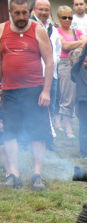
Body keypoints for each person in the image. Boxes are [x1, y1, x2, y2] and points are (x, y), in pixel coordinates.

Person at [0, 0, 53, 190]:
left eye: (25, 13)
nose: (22, 17)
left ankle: (37, 174)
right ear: (10, 12)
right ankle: (13, 173)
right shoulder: (1, 30)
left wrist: (46, 90)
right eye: (17, 13)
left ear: (29, 11)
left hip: (35, 90)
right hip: (10, 91)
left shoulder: (38, 30)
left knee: (38, 132)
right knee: (10, 132)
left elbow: (49, 61)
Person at [30, 0, 60, 139]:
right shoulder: (29, 26)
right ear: (34, 9)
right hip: (34, 74)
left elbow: (57, 49)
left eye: (46, 10)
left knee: (50, 104)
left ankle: (47, 135)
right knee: (35, 106)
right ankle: (34, 136)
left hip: (51, 73)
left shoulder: (52, 28)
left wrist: (54, 64)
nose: (43, 13)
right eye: (40, 9)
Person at [56, 5, 86, 138]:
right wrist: (80, 42)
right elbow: (65, 46)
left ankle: (76, 124)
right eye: (64, 17)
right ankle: (68, 127)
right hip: (65, 63)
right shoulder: (57, 31)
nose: (67, 20)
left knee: (79, 95)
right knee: (67, 96)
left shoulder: (76, 31)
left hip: (79, 64)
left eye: (70, 17)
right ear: (59, 18)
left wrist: (79, 42)